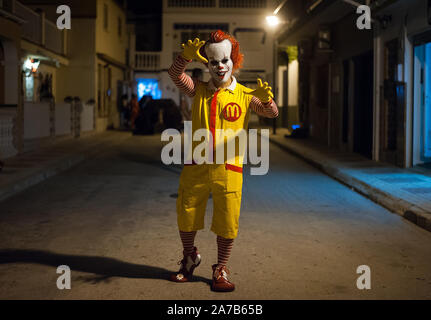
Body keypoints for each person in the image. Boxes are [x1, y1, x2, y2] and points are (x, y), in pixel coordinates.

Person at [168, 30, 278, 292]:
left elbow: (271, 113)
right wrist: (183, 58)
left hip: (229, 169)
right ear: (207, 64)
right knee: (187, 214)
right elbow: (174, 75)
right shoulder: (198, 90)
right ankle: (189, 258)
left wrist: (266, 99)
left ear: (234, 61)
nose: (220, 66)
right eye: (214, 62)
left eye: (225, 60)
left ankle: (221, 267)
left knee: (228, 220)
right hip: (197, 165)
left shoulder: (244, 94)